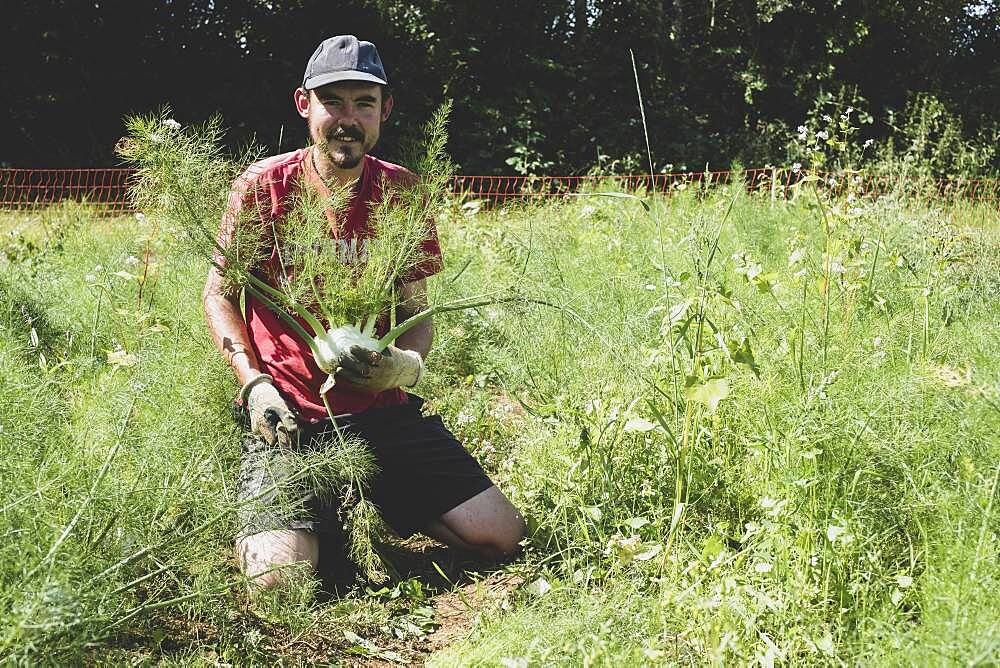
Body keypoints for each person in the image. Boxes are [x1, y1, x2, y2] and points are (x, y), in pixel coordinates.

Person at [202, 35, 525, 590]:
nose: (347, 119)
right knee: (277, 583)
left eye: (363, 103)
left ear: (385, 109)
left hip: (383, 413)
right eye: (334, 102)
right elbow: (219, 294)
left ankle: (373, 498)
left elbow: (416, 314)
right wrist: (254, 384)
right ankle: (323, 507)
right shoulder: (263, 188)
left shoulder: (401, 193)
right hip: (290, 419)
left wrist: (403, 366)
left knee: (501, 534)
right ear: (305, 105)